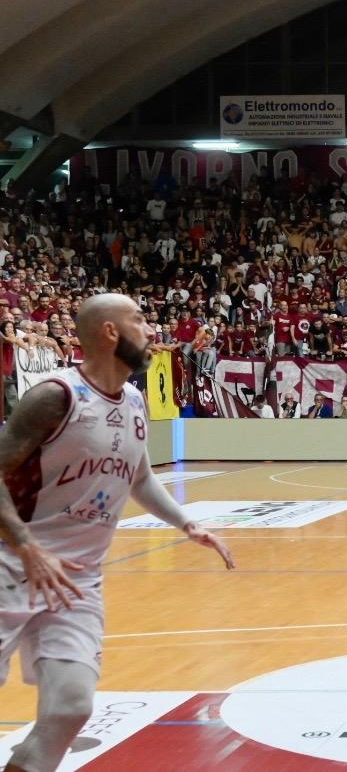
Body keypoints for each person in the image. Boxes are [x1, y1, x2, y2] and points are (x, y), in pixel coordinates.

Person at [0, 294, 234, 772]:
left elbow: (141, 478)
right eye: (140, 320)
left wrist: (187, 522)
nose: (150, 331)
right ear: (110, 332)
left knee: (70, 706)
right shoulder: (54, 397)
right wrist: (25, 544)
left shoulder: (132, 400)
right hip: (10, 563)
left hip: (78, 580)